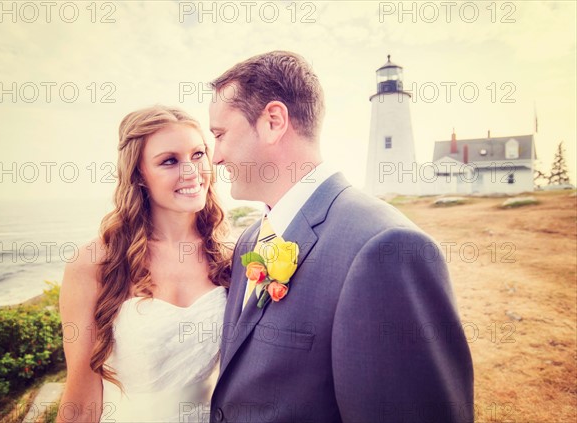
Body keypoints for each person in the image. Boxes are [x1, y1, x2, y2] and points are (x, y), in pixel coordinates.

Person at [208, 51, 474, 423]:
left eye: (220, 135)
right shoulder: (250, 242)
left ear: (273, 121)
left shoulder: (386, 249)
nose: (215, 157)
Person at [56, 106, 231, 423]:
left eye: (198, 154)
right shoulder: (95, 263)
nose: (191, 171)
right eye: (169, 161)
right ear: (138, 175)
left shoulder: (228, 257)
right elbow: (81, 403)